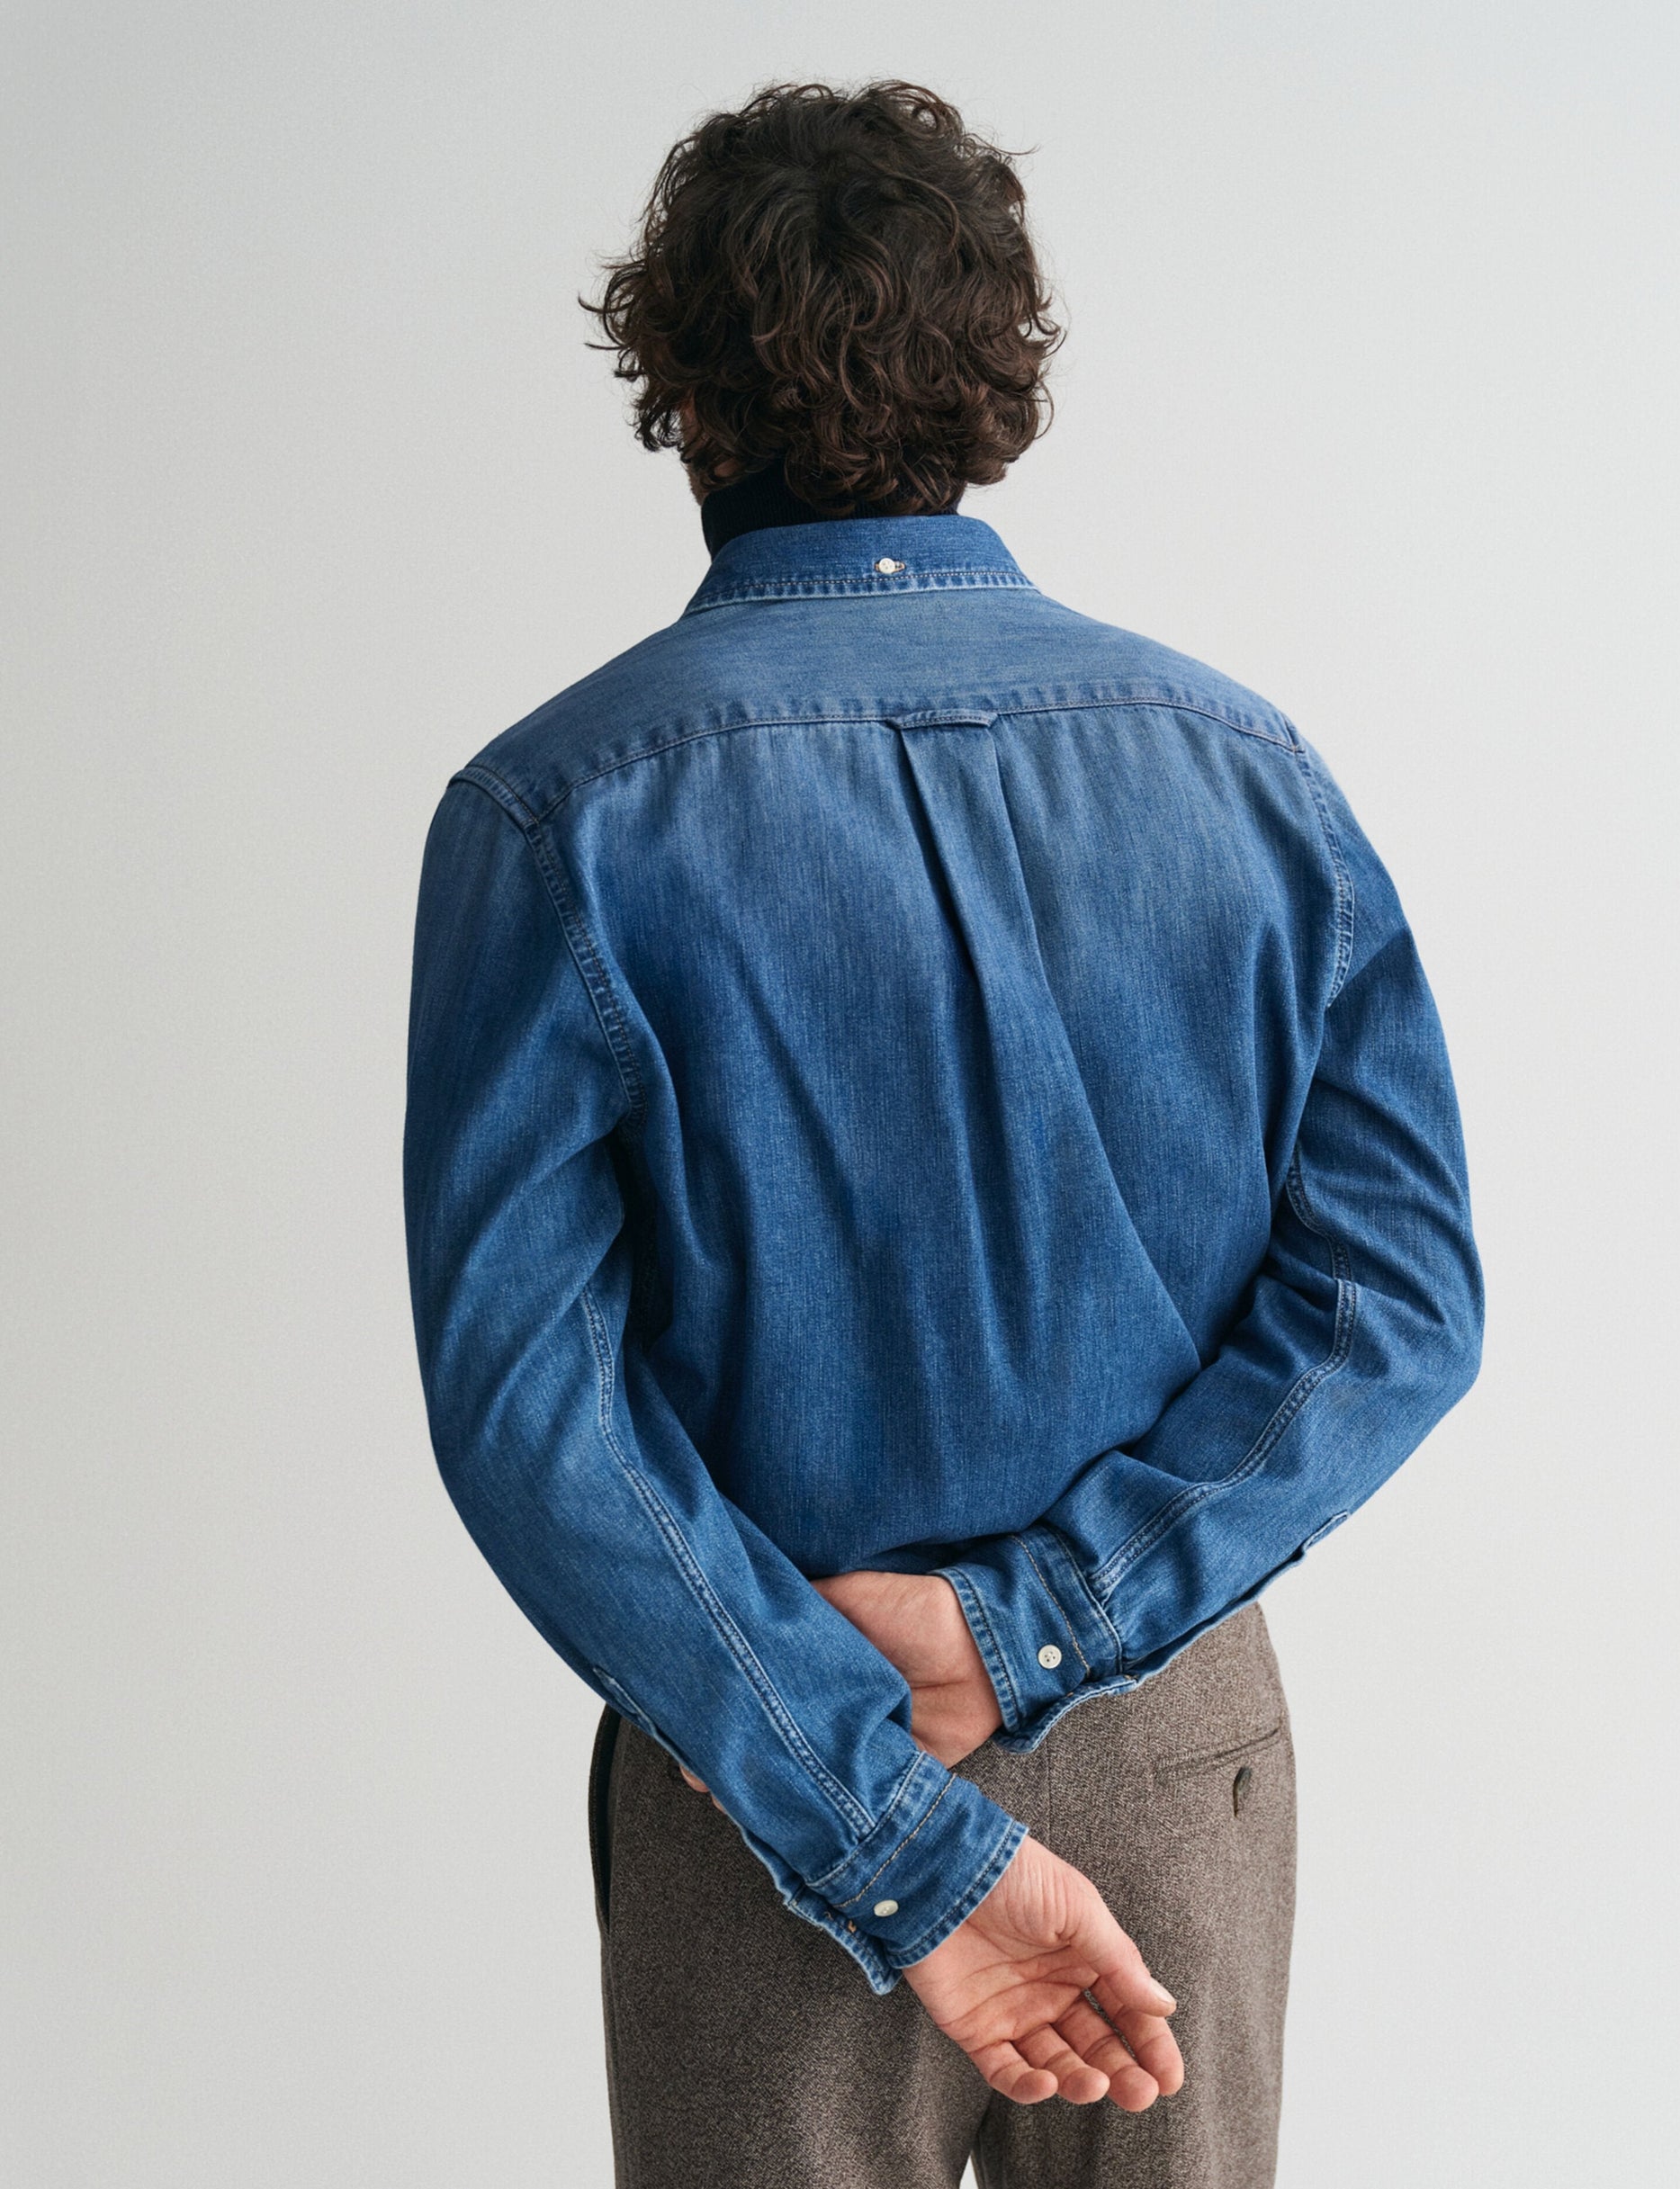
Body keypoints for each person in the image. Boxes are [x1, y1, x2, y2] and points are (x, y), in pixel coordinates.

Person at [402, 79, 1483, 2189]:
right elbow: (1398, 1303)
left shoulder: (556, 814)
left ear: (681, 392)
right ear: (1000, 384)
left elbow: (532, 1407)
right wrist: (1039, 1626)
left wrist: (872, 1792)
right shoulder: (1246, 772)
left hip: (766, 1772)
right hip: (1171, 1755)